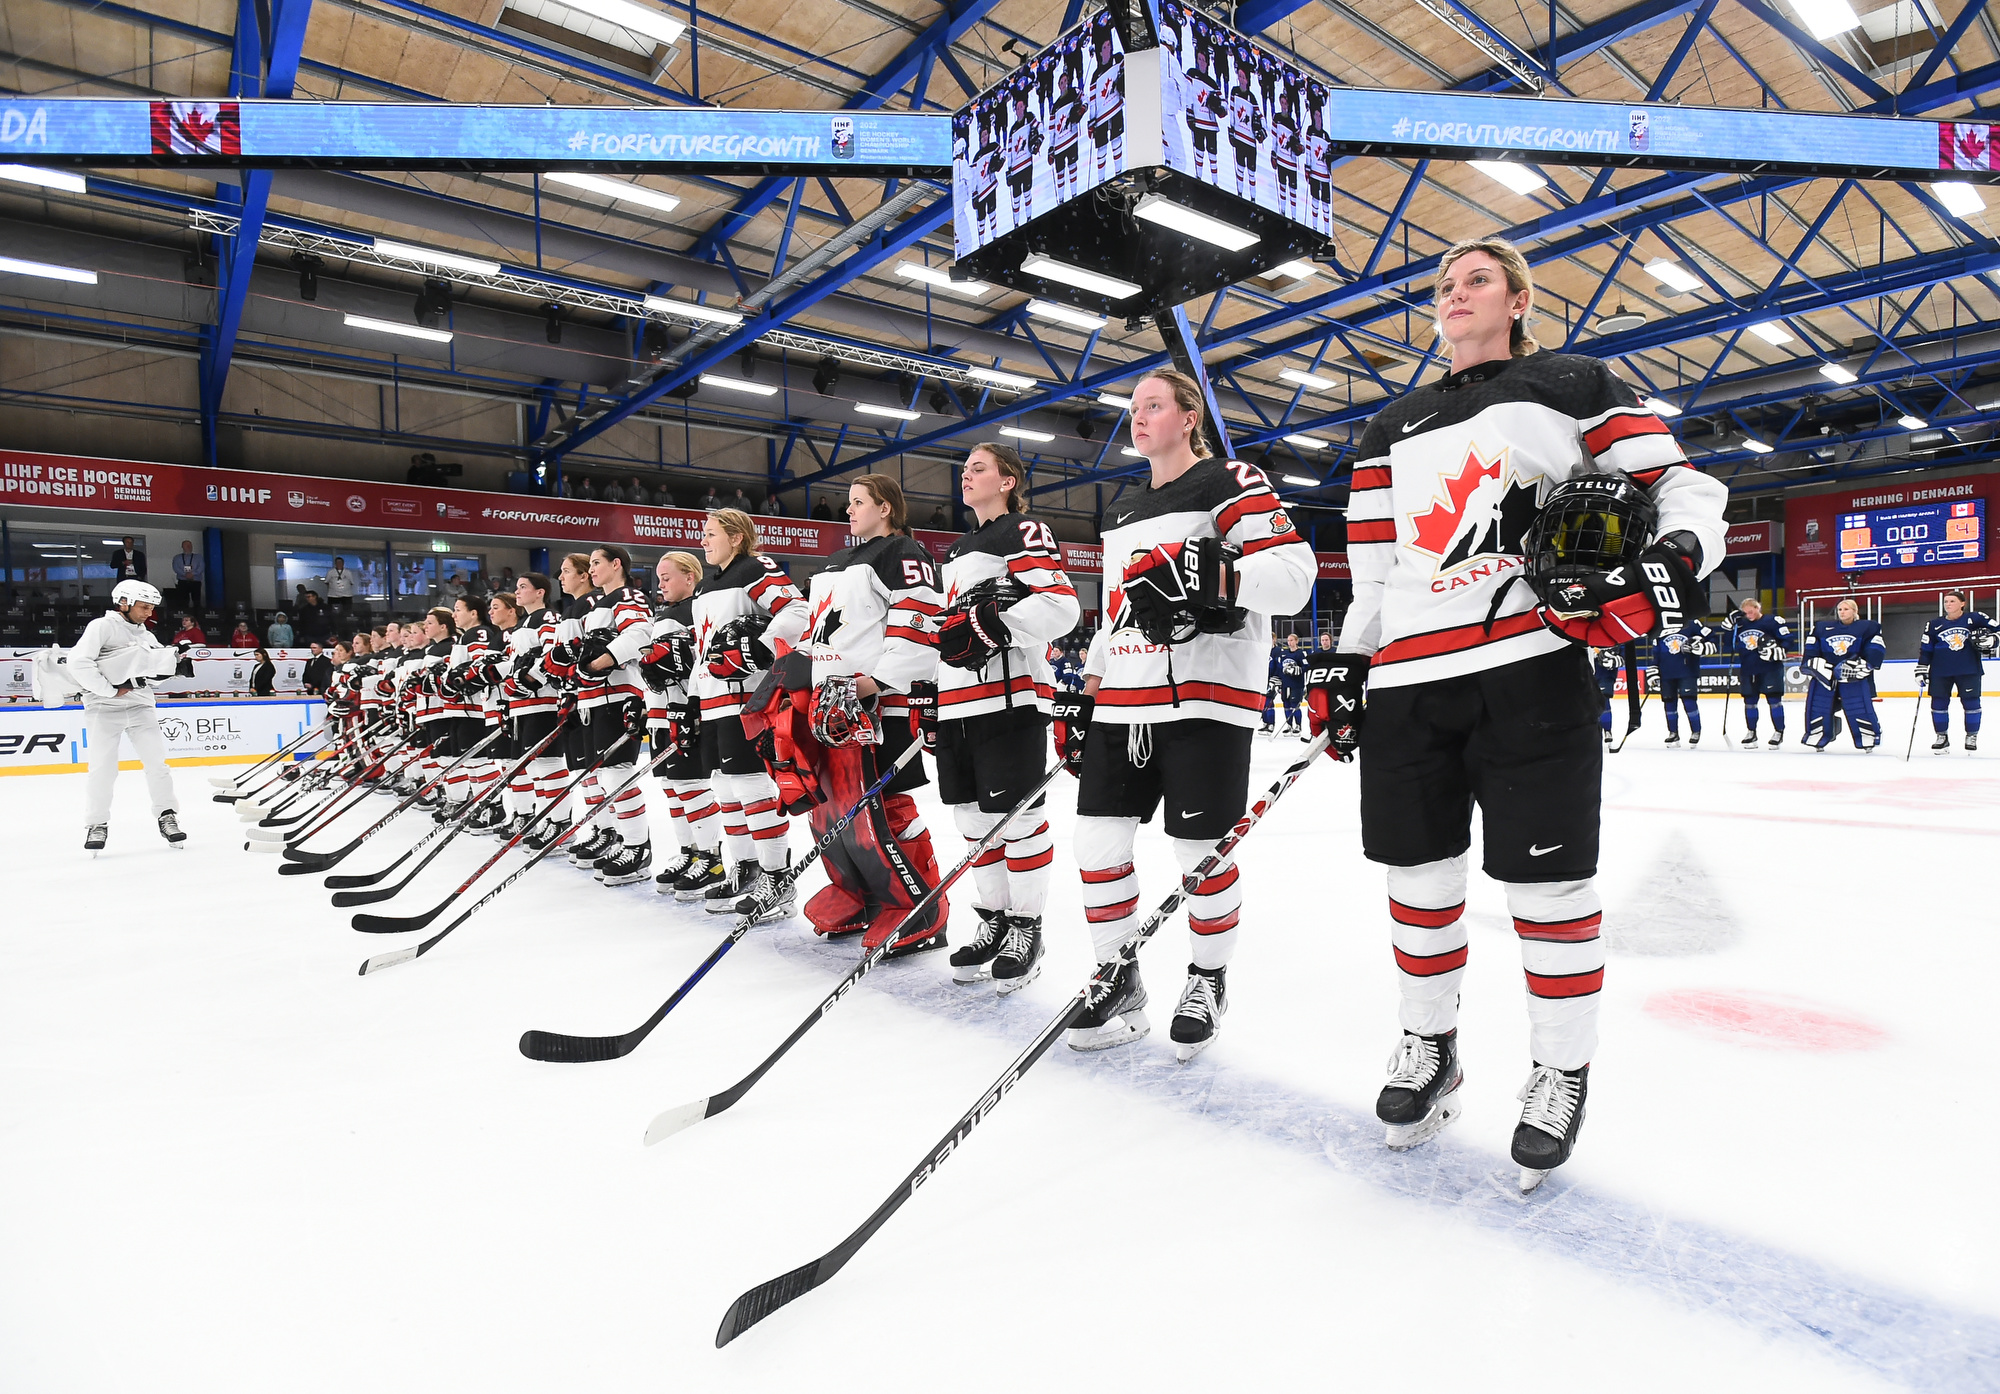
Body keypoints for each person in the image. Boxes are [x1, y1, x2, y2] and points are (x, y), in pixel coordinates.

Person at [1311, 235, 1726, 1191]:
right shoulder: (1390, 429)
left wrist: (1673, 558)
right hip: (1412, 681)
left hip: (1531, 665)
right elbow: (1376, 572)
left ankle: (1559, 1069)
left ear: (1519, 298)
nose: (1455, 295)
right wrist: (1346, 663)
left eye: (1476, 281)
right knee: (1416, 881)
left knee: (1548, 890)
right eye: (1444, 285)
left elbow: (1682, 486)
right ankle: (1429, 1046)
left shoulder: (1574, 383)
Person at [1064, 366, 1315, 1061]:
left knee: (1198, 856)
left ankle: (1207, 978)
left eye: (1152, 405)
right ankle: (1116, 976)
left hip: (1207, 698)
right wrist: (1085, 690)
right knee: (1097, 848)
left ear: (1188, 417)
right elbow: (1120, 611)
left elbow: (1294, 577)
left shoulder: (1229, 482)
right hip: (1123, 700)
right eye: (1133, 407)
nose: (1137, 418)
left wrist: (1221, 576)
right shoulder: (1122, 510)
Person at [761, 473, 953, 946]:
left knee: (885, 804)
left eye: (858, 502)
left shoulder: (904, 553)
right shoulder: (836, 561)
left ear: (885, 507)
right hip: (828, 701)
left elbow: (922, 624)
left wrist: (876, 681)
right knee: (827, 803)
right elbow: (818, 629)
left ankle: (920, 904)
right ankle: (859, 891)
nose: (848, 510)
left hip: (877, 704)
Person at [935, 444, 1079, 990]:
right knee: (973, 824)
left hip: (1008, 701)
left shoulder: (1025, 530)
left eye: (978, 469)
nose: (966, 477)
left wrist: (994, 624)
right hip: (957, 704)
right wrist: (931, 695)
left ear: (1008, 481)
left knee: (1017, 822)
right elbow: (951, 629)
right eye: (964, 469)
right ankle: (994, 920)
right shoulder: (956, 550)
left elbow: (1060, 607)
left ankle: (1027, 926)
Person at [685, 509, 808, 910]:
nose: (703, 541)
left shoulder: (755, 567)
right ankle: (747, 869)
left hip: (746, 701)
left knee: (751, 786)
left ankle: (778, 880)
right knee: (724, 788)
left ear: (736, 537)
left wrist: (762, 646)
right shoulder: (705, 587)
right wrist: (692, 700)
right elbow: (704, 648)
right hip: (713, 699)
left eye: (711, 534)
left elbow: (797, 610)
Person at [551, 546, 656, 883]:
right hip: (593, 699)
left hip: (619, 694)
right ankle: (613, 837)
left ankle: (637, 847)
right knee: (596, 775)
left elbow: (639, 635)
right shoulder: (601, 604)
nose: (592, 569)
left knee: (616, 775)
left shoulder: (627, 595)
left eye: (596, 563)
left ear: (616, 565)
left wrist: (599, 661)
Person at [69, 581, 187, 851]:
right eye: (144, 607)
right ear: (124, 602)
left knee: (157, 765)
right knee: (102, 769)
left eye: (152, 608)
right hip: (103, 707)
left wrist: (172, 667)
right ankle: (96, 824)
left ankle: (167, 815)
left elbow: (150, 674)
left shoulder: (146, 634)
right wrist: (109, 691)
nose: (149, 613)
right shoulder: (102, 627)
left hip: (140, 706)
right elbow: (79, 662)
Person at [640, 553, 721, 893]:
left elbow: (702, 660)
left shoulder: (698, 610)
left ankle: (711, 858)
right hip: (661, 714)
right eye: (658, 578)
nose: (660, 584)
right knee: (673, 790)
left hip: (684, 711)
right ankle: (688, 853)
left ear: (690, 577)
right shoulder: (665, 614)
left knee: (691, 786)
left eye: (667, 577)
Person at [500, 573, 563, 839]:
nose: (517, 592)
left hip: (543, 701)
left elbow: (551, 653)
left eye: (523, 587)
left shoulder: (546, 617)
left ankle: (560, 823)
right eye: (516, 588)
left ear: (540, 592)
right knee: (534, 768)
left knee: (547, 764)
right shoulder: (523, 623)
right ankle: (546, 819)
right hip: (522, 705)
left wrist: (529, 680)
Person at [1803, 596, 1884, 751]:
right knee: (1819, 706)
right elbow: (1812, 645)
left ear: (1855, 611)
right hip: (1827, 674)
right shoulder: (1822, 627)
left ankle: (1867, 738)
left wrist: (1866, 664)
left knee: (1858, 707)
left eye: (1846, 609)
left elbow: (1876, 646)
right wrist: (1812, 663)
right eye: (1840, 609)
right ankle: (1819, 735)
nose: (1842, 612)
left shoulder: (1868, 627)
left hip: (1852, 675)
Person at [1917, 588, 1992, 752]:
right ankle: (1941, 736)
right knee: (1938, 703)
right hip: (1940, 670)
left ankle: (1971, 735)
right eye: (1946, 601)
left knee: (1971, 702)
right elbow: (1926, 648)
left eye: (1952, 601)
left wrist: (1992, 639)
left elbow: (1996, 630)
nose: (1948, 604)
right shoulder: (1934, 624)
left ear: (1963, 603)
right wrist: (1922, 667)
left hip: (1968, 668)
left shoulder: (1975, 618)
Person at [1730, 597, 1791, 748]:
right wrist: (1729, 628)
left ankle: (1778, 732)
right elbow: (1729, 643)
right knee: (1749, 702)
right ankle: (1751, 732)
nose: (1749, 615)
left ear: (1758, 608)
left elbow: (1788, 640)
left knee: (1774, 701)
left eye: (1751, 611)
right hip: (1748, 669)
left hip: (1770, 668)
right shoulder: (1741, 624)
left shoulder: (1772, 621)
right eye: (1746, 613)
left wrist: (1780, 650)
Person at [1653, 618, 1713, 747]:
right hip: (1666, 673)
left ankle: (1696, 731)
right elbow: (1656, 652)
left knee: (1689, 701)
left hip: (1687, 672)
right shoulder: (1661, 626)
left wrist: (1700, 647)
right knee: (1669, 704)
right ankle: (1673, 733)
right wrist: (1654, 670)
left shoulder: (1692, 623)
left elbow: (1711, 639)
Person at [1275, 632, 1308, 737]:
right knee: (1286, 705)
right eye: (1288, 640)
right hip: (1285, 684)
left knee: (1295, 705)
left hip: (1297, 684)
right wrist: (1278, 681)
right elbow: (1280, 668)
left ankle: (1298, 726)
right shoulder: (1284, 653)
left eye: (1292, 640)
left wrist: (1299, 669)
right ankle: (1289, 725)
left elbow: (1307, 666)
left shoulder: (1300, 653)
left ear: (1296, 641)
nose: (1289, 642)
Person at [1591, 646, 1621, 743]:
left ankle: (1607, 730)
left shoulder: (1614, 635)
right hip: (1588, 673)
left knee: (1604, 702)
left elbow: (1621, 657)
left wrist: (1610, 658)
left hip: (1605, 674)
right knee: (1588, 704)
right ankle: (1593, 731)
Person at [171, 540, 202, 610]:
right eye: (187, 545)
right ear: (182, 547)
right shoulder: (177, 558)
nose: (189, 547)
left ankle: (197, 617)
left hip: (195, 581)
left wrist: (192, 574)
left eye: (190, 545)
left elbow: (201, 567)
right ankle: (184, 616)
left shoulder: (198, 557)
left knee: (196, 601)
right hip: (183, 582)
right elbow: (176, 568)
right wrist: (185, 574)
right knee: (183, 601)